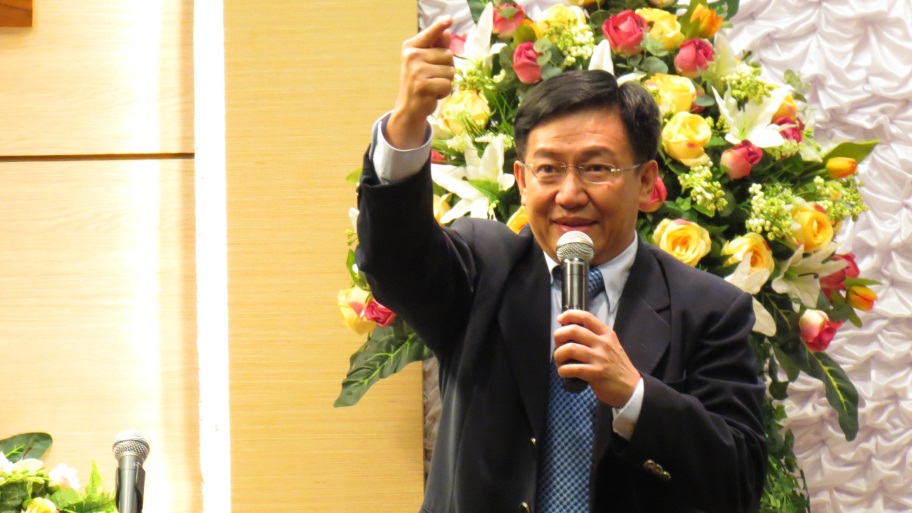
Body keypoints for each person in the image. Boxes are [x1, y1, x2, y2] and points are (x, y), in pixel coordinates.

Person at [355, 16, 767, 513]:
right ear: (522, 180)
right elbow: (395, 262)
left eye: (596, 168)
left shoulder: (709, 308)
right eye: (549, 169)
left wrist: (635, 395)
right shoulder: (482, 268)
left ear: (646, 181)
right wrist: (406, 123)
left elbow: (739, 483)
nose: (570, 194)